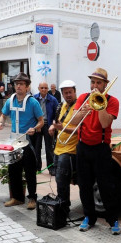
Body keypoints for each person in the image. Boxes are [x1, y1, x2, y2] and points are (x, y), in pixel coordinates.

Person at [73, 67, 121, 235]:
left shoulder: (112, 101)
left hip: (101, 148)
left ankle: (113, 218)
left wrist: (100, 104)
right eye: (92, 82)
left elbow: (105, 124)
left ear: (105, 85)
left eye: (98, 82)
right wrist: (83, 111)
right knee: (84, 185)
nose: (94, 85)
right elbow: (73, 122)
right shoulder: (82, 98)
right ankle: (89, 217)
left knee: (106, 186)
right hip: (83, 147)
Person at [0, 73, 43, 210]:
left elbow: (41, 121)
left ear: (27, 87)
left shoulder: (33, 102)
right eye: (16, 83)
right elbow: (3, 116)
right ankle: (17, 198)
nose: (18, 86)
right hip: (13, 141)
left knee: (29, 171)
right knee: (13, 170)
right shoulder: (10, 100)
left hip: (27, 141)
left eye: (22, 84)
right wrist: (0, 123)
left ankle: (32, 198)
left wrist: (34, 128)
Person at [48, 80, 78, 215]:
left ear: (75, 92)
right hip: (58, 148)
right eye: (65, 93)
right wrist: (52, 126)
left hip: (70, 150)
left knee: (62, 180)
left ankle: (64, 207)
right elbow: (57, 122)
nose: (68, 95)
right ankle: (62, 204)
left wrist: (63, 129)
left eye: (70, 92)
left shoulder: (79, 107)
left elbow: (79, 129)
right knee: (59, 180)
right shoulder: (62, 106)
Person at [34, 82, 58, 174]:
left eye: (45, 88)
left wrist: (53, 125)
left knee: (49, 148)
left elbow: (57, 114)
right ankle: (37, 167)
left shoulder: (53, 100)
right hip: (38, 125)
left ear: (48, 89)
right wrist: (37, 125)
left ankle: (51, 168)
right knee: (37, 147)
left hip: (48, 125)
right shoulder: (34, 98)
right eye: (42, 88)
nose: (44, 89)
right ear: (39, 88)